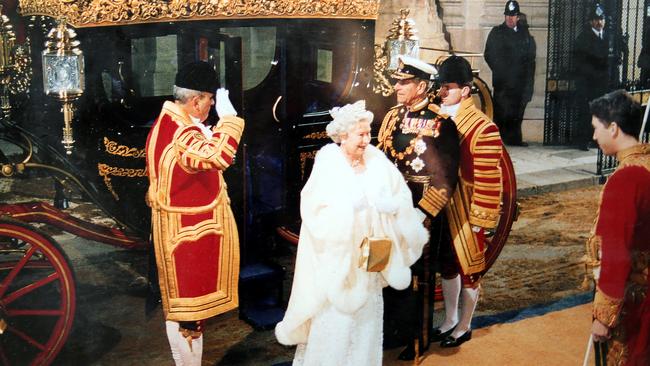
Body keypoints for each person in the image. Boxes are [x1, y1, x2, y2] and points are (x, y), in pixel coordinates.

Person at [275, 100, 429, 365]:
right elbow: (312, 211)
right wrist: (346, 210)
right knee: (336, 324)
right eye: (360, 134)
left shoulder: (377, 161)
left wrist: (389, 206)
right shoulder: (328, 164)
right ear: (343, 135)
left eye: (368, 133)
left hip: (370, 260)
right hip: (339, 264)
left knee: (366, 324)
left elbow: (401, 196)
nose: (365, 140)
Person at [145, 61, 245, 365]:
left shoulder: (171, 121)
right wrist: (229, 121)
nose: (212, 105)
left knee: (190, 317)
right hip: (185, 237)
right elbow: (219, 155)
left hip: (181, 232)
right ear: (196, 100)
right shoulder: (181, 132)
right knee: (187, 318)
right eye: (210, 99)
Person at [377, 55, 460, 360]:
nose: (397, 86)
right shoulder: (391, 117)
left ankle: (418, 338)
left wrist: (423, 213)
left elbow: (447, 177)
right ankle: (393, 331)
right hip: (391, 208)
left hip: (420, 211)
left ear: (422, 86)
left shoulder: (441, 124)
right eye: (397, 81)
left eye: (404, 82)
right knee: (389, 271)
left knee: (417, 277)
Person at [433, 55, 504, 347]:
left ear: (465, 90)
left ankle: (464, 325)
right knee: (448, 266)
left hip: (467, 208)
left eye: (448, 87)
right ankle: (449, 319)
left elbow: (490, 180)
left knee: (470, 271)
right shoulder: (436, 117)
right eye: (440, 87)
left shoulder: (483, 128)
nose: (442, 92)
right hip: (441, 206)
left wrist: (482, 222)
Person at [586, 90, 650, 365]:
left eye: (596, 128)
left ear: (613, 128)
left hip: (634, 301)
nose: (594, 137)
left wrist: (603, 316)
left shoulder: (625, 178)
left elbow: (616, 253)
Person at [484, 0, 536, 146]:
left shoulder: (525, 35)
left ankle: (514, 139)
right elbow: (488, 54)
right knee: (500, 112)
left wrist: (528, 84)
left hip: (519, 83)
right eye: (507, 15)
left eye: (512, 16)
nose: (509, 18)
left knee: (517, 113)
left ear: (518, 17)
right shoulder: (497, 32)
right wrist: (501, 70)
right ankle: (497, 141)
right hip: (503, 82)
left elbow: (530, 61)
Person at [573, 3, 612, 151]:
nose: (599, 22)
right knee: (586, 112)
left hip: (602, 83)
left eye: (601, 19)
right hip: (588, 83)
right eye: (596, 19)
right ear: (590, 22)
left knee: (601, 114)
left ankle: (597, 140)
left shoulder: (608, 36)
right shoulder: (583, 38)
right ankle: (583, 140)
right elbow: (581, 63)